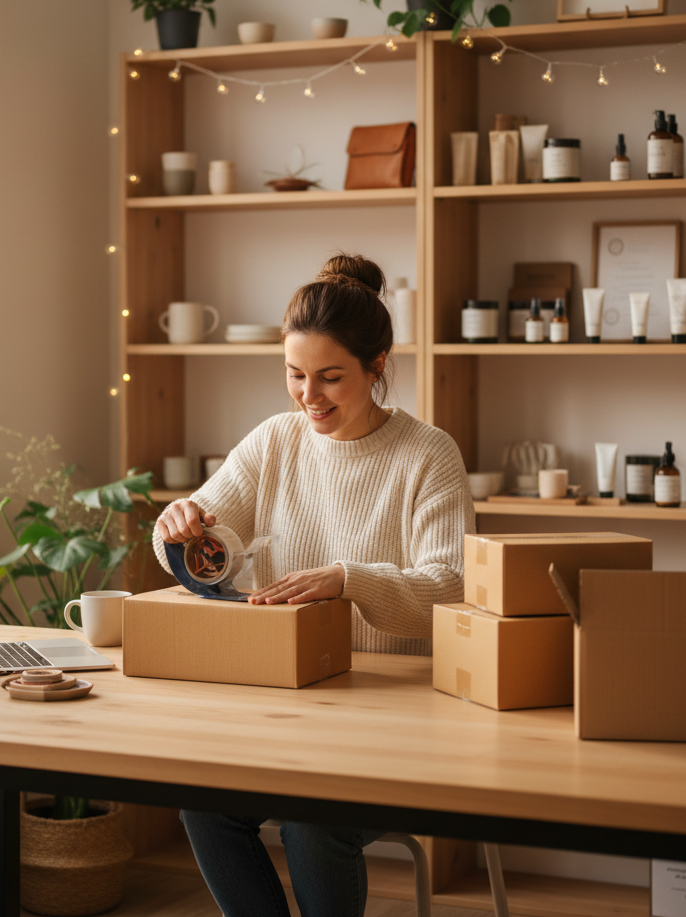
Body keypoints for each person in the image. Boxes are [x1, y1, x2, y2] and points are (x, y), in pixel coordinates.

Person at [154, 253, 474, 917]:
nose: (309, 397)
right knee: (203, 802)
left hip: (398, 717)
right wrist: (178, 529)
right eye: (295, 376)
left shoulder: (428, 453)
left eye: (330, 378)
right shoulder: (275, 442)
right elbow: (206, 548)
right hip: (290, 709)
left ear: (378, 364)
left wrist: (348, 579)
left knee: (311, 822)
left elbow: (449, 589)